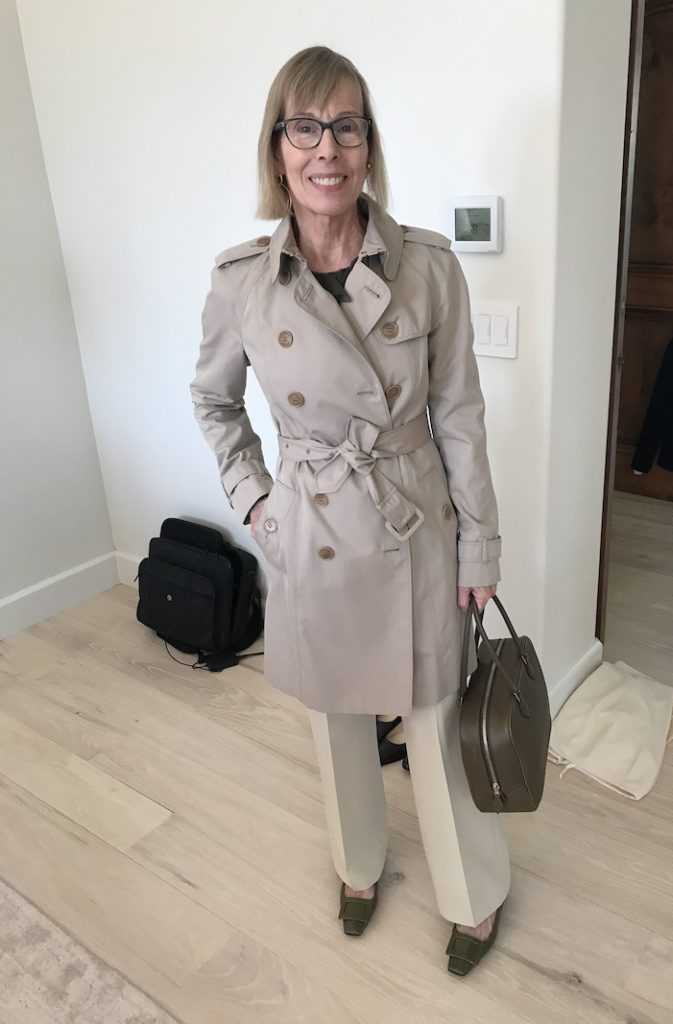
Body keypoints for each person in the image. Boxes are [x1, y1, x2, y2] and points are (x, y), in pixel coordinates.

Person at [190, 45, 510, 976]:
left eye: (345, 127)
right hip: (315, 524)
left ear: (368, 146)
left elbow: (460, 418)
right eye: (304, 128)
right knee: (335, 726)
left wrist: (480, 548)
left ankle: (474, 894)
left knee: (435, 722)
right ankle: (358, 867)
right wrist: (260, 505)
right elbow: (213, 402)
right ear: (277, 148)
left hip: (416, 523)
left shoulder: (428, 267)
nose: (325, 149)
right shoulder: (241, 281)